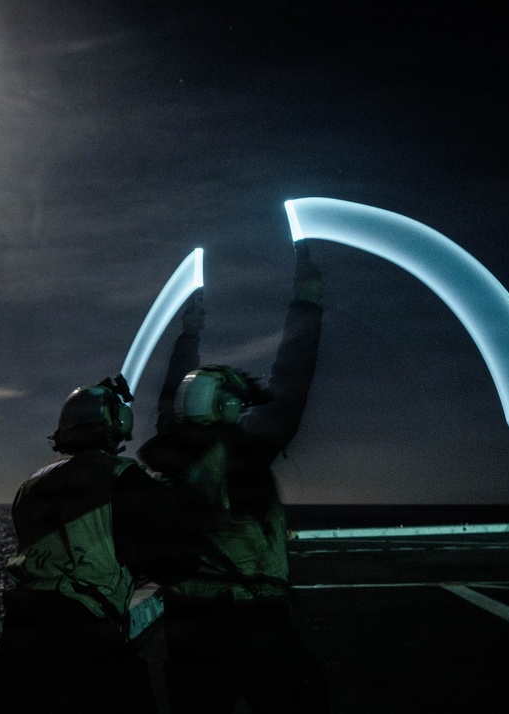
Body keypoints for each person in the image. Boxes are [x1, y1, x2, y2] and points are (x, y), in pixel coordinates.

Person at [138, 243, 329, 714]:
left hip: (187, 626)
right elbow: (292, 375)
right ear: (225, 407)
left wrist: (189, 335)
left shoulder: (171, 452)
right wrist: (306, 300)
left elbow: (169, 398)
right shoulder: (246, 452)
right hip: (255, 621)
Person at [0, 375, 163, 714]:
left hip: (22, 625)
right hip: (85, 626)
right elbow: (160, 554)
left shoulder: (31, 482)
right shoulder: (121, 475)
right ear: (116, 423)